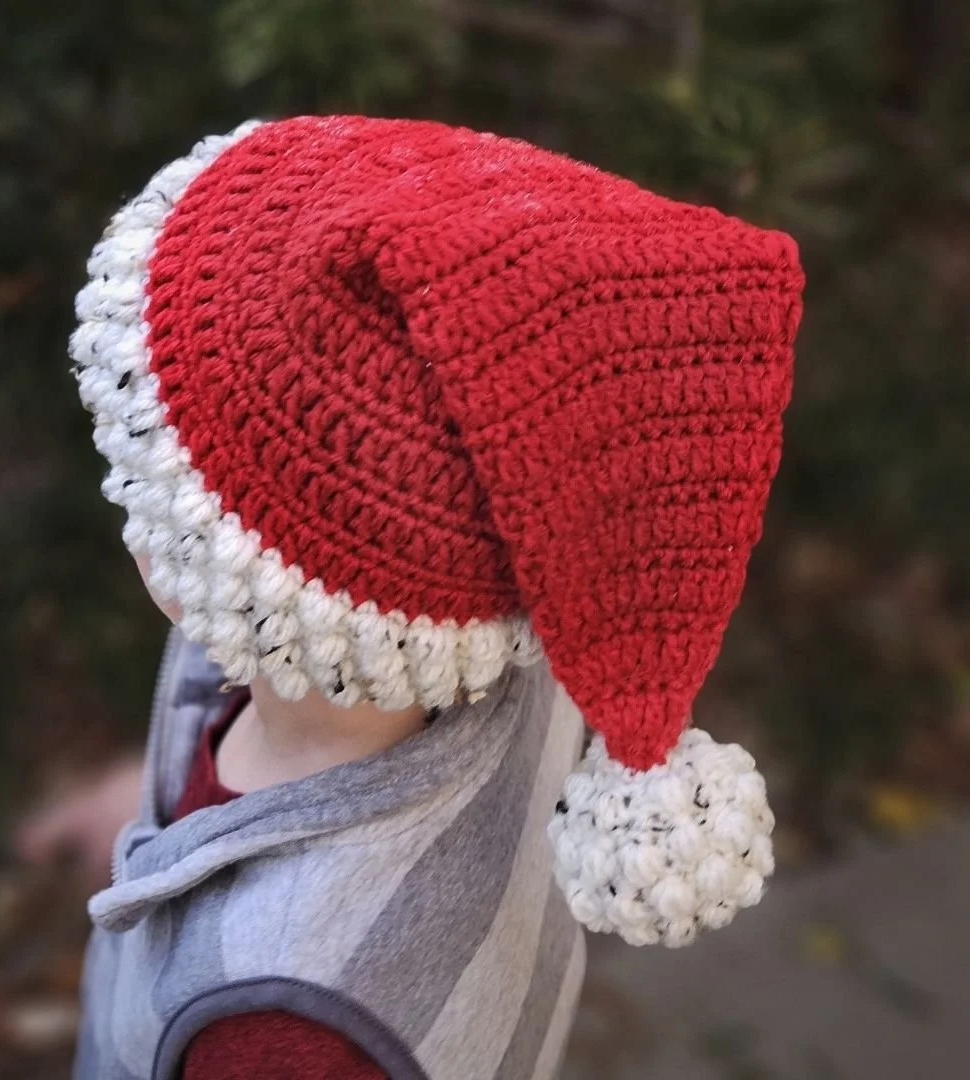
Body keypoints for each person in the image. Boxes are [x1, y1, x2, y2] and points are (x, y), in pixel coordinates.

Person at [65, 115, 804, 1079]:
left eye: (146, 469)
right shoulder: (518, 624)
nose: (123, 496)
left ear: (220, 566)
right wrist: (172, 816)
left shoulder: (282, 1028)